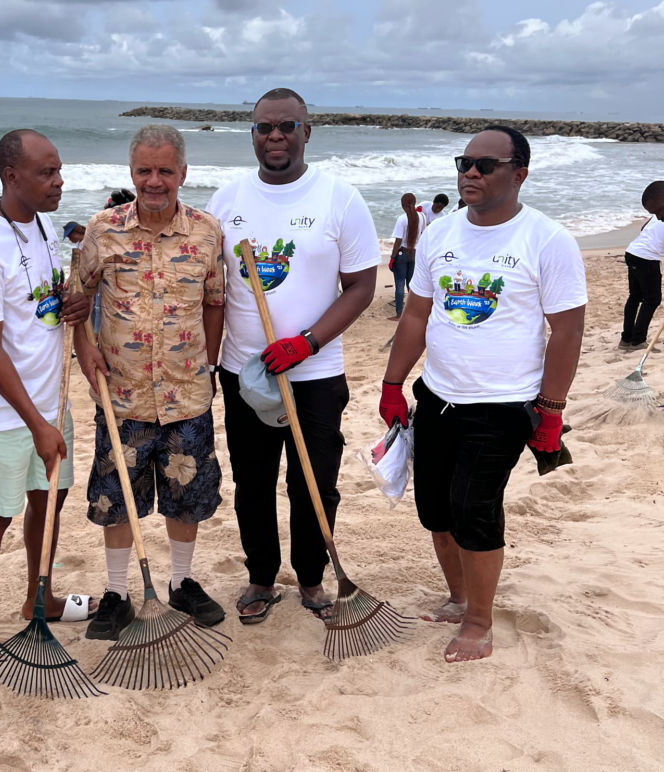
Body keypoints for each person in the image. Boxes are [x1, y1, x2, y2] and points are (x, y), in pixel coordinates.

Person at [379, 126, 587, 663]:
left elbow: (566, 330)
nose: (470, 172)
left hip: (503, 405)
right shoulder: (442, 233)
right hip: (438, 397)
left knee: (474, 507)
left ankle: (478, 621)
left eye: (485, 165)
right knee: (435, 511)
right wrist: (392, 383)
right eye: (464, 162)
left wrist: (550, 409)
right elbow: (418, 313)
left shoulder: (546, 239)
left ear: (519, 173)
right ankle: (459, 596)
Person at [206, 88, 380, 625]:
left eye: (286, 126)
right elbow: (211, 290)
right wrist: (211, 366)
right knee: (252, 482)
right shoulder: (226, 200)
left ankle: (310, 578)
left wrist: (308, 342)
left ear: (308, 131)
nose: (274, 137)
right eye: (263, 128)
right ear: (252, 134)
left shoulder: (339, 198)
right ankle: (261, 577)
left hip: (316, 374)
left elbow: (361, 286)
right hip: (245, 373)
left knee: (313, 483)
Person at [74, 124, 227, 639]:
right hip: (123, 393)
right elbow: (80, 297)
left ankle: (182, 582)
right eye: (145, 170)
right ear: (131, 171)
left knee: (187, 494)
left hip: (187, 393)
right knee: (117, 497)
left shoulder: (206, 231)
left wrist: (207, 366)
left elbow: (213, 302)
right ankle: (117, 593)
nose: (154, 181)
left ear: (183, 172)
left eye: (165, 171)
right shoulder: (102, 229)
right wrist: (84, 346)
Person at [0, 129, 96, 663]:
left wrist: (71, 305)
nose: (59, 183)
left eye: (59, 171)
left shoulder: (42, 225)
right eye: (46, 173)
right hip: (2, 413)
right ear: (11, 176)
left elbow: (43, 303)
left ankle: (42, 597)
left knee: (50, 501)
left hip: (51, 398)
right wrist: (37, 424)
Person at [620, 181, 664, 349]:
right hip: (645, 256)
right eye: (655, 213)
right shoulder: (660, 212)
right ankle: (637, 341)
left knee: (636, 297)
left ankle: (626, 340)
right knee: (652, 299)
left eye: (659, 211)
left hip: (633, 252)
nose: (659, 217)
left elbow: (644, 228)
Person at [389, 192, 426, 321]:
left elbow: (398, 241)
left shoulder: (402, 219)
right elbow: (422, 235)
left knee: (399, 284)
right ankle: (412, 312)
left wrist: (392, 258)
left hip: (402, 253)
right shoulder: (422, 216)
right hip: (415, 253)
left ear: (403, 205)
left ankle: (399, 314)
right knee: (411, 284)